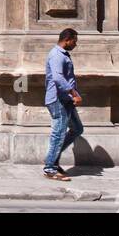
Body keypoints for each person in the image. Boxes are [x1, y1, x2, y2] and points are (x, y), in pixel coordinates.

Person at [44, 27, 83, 181]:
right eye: (74, 41)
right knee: (58, 133)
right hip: (58, 100)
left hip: (66, 100)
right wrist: (73, 93)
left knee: (77, 129)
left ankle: (53, 158)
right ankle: (50, 168)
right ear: (67, 39)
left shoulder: (62, 55)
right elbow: (58, 78)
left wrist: (73, 94)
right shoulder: (56, 55)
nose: (75, 44)